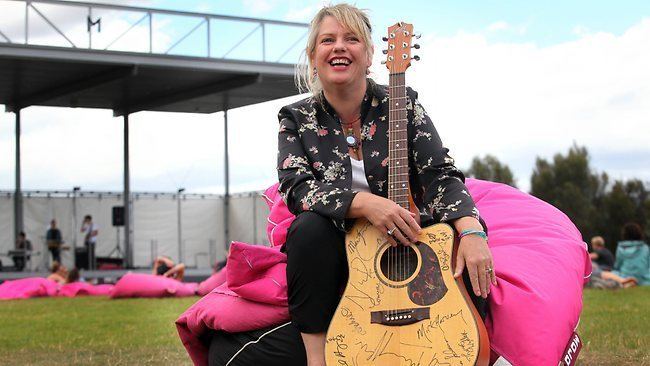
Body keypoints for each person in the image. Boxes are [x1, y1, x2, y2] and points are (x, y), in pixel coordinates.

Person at [275, 4, 495, 365]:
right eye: (327, 40)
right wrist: (365, 204)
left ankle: (465, 350)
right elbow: (296, 186)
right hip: (340, 248)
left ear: (370, 54)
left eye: (352, 39)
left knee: (457, 246)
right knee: (306, 230)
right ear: (314, 56)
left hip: (406, 238)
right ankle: (318, 359)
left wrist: (472, 234)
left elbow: (439, 173)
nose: (339, 47)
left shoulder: (403, 103)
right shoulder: (296, 118)